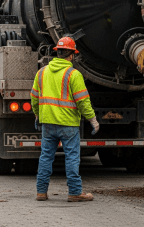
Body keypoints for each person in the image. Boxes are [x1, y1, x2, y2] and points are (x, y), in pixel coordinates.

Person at [31, 37, 100, 202]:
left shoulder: (42, 72)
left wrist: (37, 114)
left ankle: (41, 192)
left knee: (46, 157)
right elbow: (83, 101)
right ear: (71, 55)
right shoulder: (73, 75)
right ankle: (75, 192)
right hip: (68, 124)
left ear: (57, 52)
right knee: (71, 157)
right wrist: (92, 120)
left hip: (48, 123)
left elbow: (34, 97)